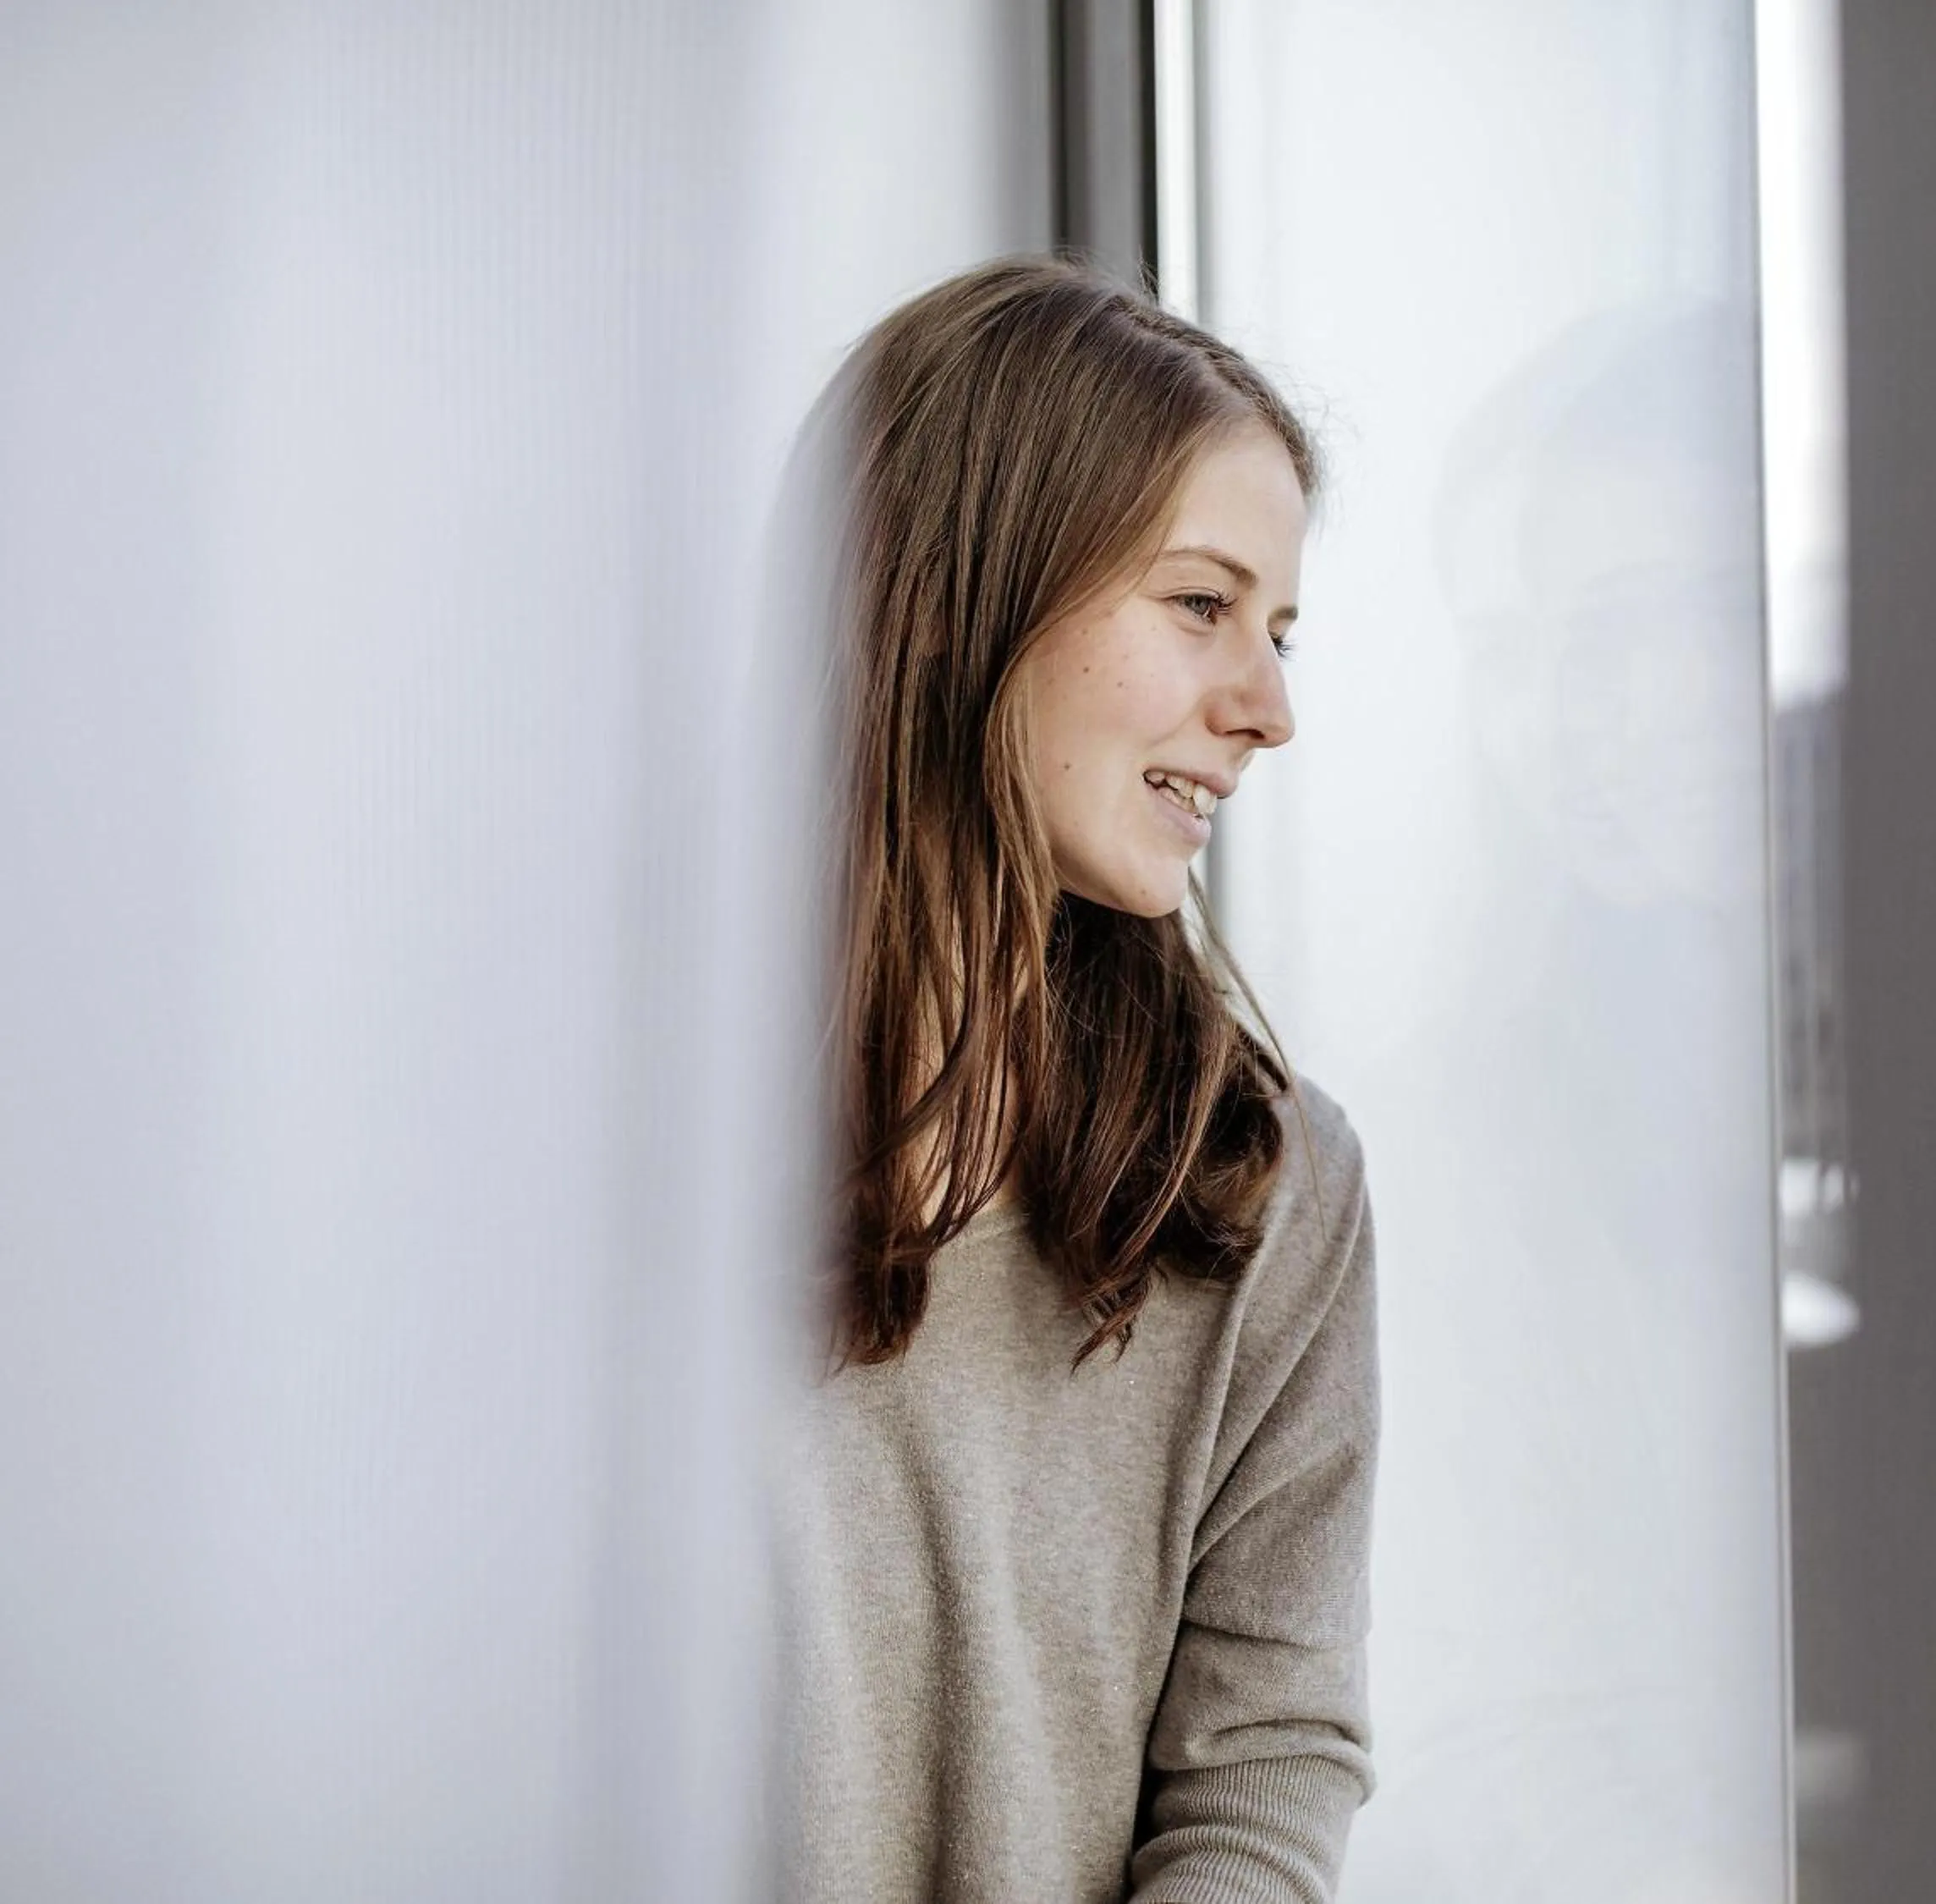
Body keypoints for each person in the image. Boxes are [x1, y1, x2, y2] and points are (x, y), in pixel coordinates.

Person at [770, 256, 1381, 1903]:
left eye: (1280, 631)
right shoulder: (596, 1127)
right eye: (1202, 604)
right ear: (963, 587)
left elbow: (1265, 1773)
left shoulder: (1270, 1184)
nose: (1267, 707)